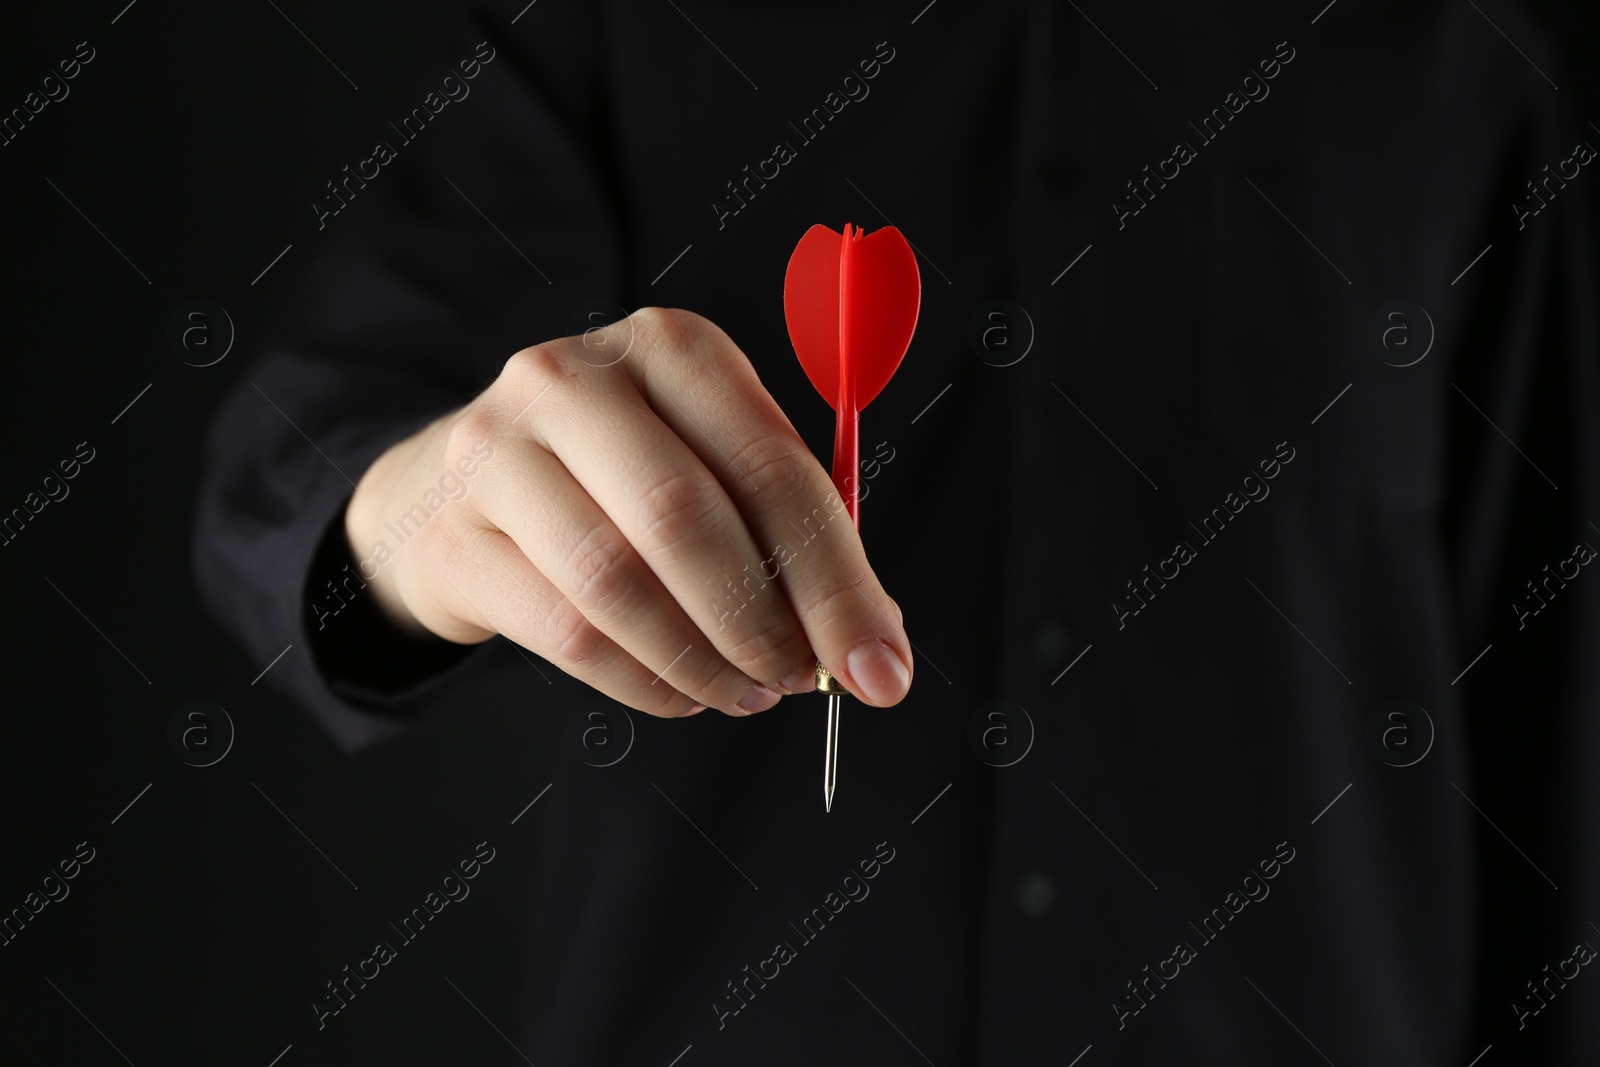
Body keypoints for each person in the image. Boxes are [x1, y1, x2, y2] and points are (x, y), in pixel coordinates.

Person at [196, 1, 1600, 1062]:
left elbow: (1554, 696)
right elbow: (300, 469)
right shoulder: (626, 30)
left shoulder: (1453, 58)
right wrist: (424, 511)